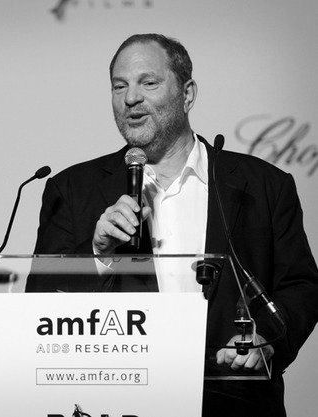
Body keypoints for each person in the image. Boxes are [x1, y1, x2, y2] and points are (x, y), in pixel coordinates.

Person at [32, 33, 318, 416]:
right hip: (119, 402)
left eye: (148, 82)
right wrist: (97, 256)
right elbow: (40, 304)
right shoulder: (72, 189)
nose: (130, 98)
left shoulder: (264, 185)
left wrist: (266, 339)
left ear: (187, 94)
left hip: (235, 403)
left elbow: (300, 286)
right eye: (119, 86)